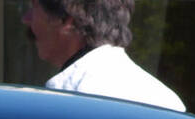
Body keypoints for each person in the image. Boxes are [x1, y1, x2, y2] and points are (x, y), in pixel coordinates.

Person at [21, 0, 185, 112]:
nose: (26, 19)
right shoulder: (168, 101)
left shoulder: (66, 101)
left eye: (35, 6)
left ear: (67, 21)